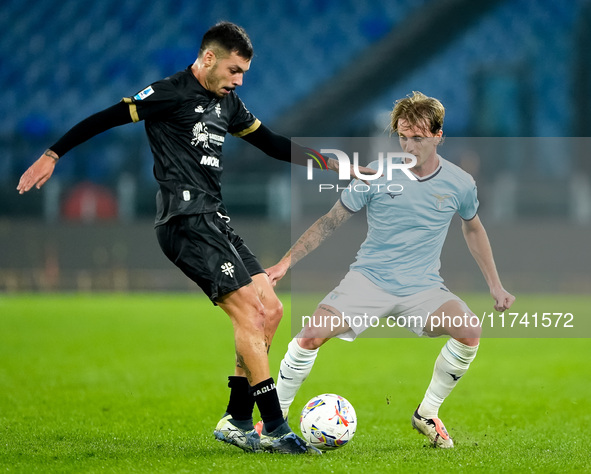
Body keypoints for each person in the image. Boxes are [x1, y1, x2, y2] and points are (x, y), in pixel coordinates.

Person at [16, 21, 365, 455]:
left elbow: (274, 144)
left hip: (214, 219)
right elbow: (105, 118)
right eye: (234, 71)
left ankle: (238, 419)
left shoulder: (228, 104)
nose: (238, 82)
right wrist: (52, 155)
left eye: (244, 75)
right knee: (251, 318)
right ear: (208, 58)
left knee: (271, 309)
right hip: (185, 221)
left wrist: (330, 163)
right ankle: (275, 428)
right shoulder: (169, 92)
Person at [267, 91, 515, 448]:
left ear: (438, 136)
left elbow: (473, 227)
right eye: (403, 136)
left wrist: (495, 285)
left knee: (470, 331)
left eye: (418, 137)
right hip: (368, 281)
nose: (409, 145)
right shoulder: (377, 174)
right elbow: (330, 221)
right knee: (308, 337)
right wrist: (286, 261)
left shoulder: (461, 183)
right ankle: (275, 422)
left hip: (423, 288)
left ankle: (427, 413)